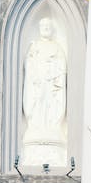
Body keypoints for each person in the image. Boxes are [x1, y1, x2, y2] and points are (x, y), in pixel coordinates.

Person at [21, 15, 67, 165]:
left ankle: (51, 126)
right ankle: (37, 126)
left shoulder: (57, 47)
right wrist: (35, 73)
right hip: (38, 84)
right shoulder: (34, 46)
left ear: (51, 29)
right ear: (40, 29)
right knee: (38, 105)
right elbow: (29, 63)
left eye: (48, 26)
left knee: (51, 105)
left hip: (51, 84)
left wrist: (53, 69)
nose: (46, 29)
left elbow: (62, 66)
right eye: (43, 26)